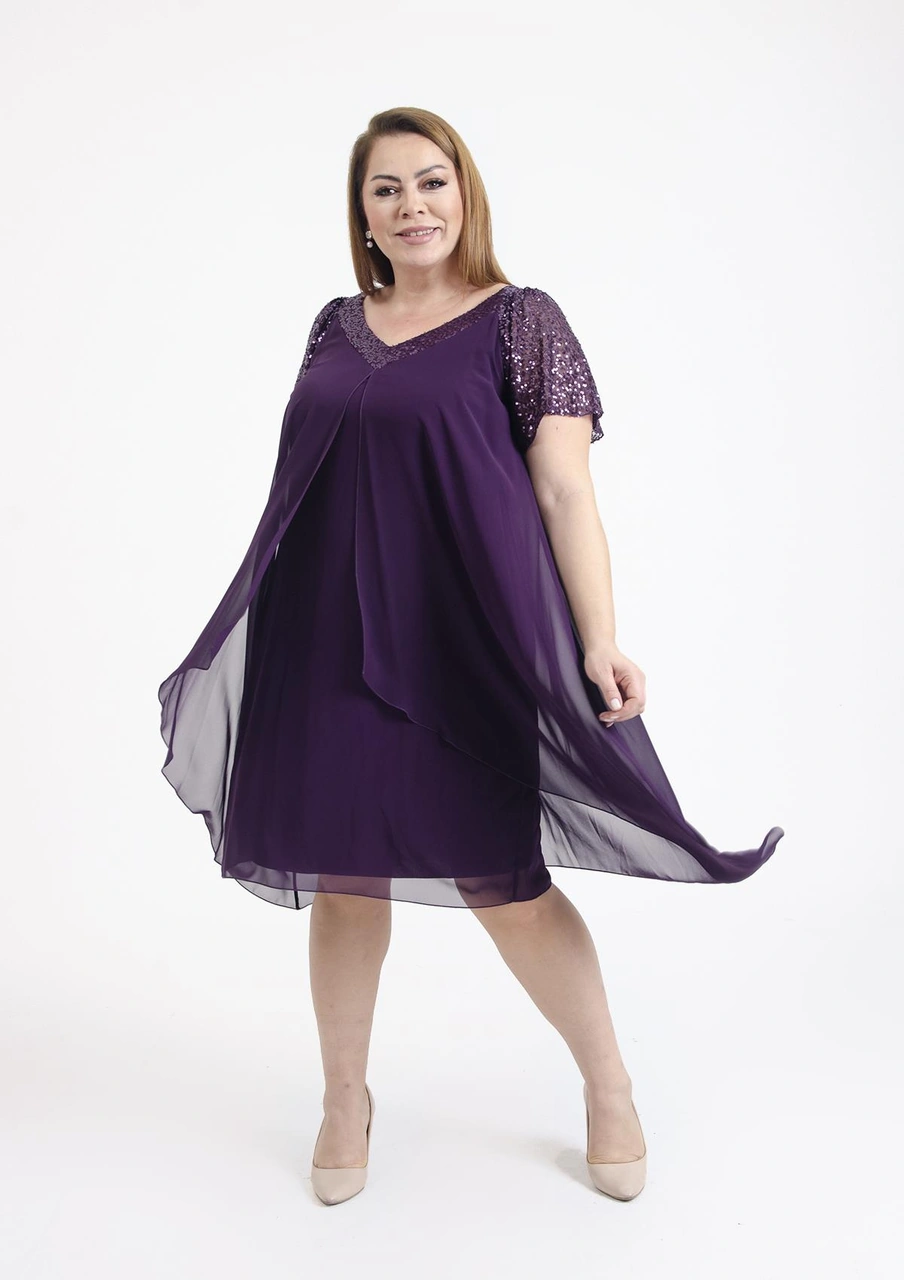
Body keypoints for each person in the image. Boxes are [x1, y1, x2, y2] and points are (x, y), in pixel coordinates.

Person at [157, 107, 784, 1205]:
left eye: (431, 182)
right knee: (344, 879)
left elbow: (565, 491)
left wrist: (599, 636)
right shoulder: (333, 325)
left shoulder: (521, 320)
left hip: (462, 642)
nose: (412, 206)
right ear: (361, 214)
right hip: (323, 639)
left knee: (507, 883)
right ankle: (343, 1099)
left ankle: (608, 1086)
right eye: (386, 189)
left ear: (466, 193)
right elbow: (305, 483)